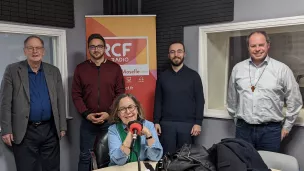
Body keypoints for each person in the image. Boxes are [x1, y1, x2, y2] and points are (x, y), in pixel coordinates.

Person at [227, 31, 303, 152]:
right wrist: (239, 121)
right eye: (253, 46)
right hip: (243, 130)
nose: (257, 49)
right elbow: (231, 99)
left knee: (268, 165)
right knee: (243, 164)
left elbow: (295, 100)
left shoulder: (282, 69)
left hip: (270, 132)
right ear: (248, 48)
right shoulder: (238, 69)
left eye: (261, 45)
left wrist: (287, 127)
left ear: (268, 45)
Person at [0, 35, 67, 171]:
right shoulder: (12, 70)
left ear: (43, 51)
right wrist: (6, 130)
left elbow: (60, 100)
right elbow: (5, 102)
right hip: (25, 131)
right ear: (25, 51)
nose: (34, 51)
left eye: (38, 48)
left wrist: (62, 126)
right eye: (30, 48)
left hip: (50, 129)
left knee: (52, 168)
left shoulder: (53, 71)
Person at [72, 33, 125, 171]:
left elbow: (120, 94)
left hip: (110, 121)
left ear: (105, 48)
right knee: (85, 156)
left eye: (99, 46)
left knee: (112, 155)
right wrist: (86, 114)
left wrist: (109, 114)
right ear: (88, 49)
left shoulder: (115, 68)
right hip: (88, 121)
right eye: (93, 47)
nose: (96, 49)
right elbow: (76, 95)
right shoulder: (80, 68)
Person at [153, 42, 205, 154]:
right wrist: (156, 121)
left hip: (188, 126)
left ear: (184, 54)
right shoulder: (162, 77)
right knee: (167, 158)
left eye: (179, 51)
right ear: (168, 55)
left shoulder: (194, 76)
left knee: (185, 159)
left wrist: (198, 123)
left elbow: (200, 101)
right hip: (166, 125)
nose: (176, 54)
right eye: (172, 52)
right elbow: (158, 100)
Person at [108, 93, 163, 166]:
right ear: (118, 114)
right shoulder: (113, 130)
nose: (127, 112)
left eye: (130, 107)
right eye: (122, 109)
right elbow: (118, 161)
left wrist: (148, 134)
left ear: (137, 109)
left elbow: (155, 157)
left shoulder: (149, 125)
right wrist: (131, 132)